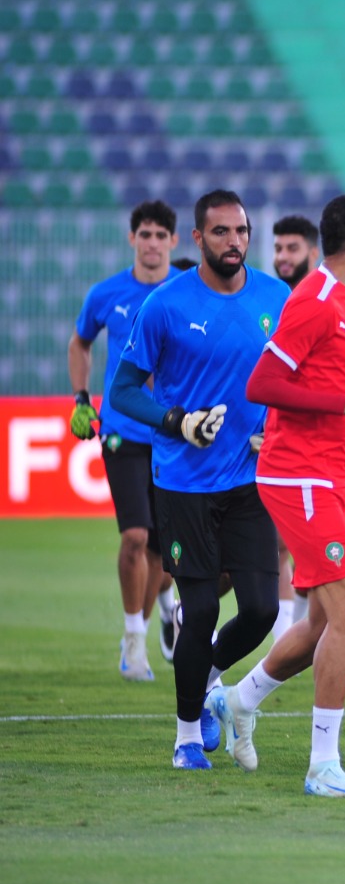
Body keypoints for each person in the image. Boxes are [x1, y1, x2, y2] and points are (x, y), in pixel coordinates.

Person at [222, 194, 345, 797]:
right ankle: (322, 764)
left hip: (338, 470)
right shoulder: (318, 298)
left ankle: (237, 700)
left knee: (328, 617)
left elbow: (331, 386)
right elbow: (264, 382)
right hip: (299, 474)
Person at [108, 188, 289, 769]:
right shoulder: (164, 305)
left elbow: (293, 378)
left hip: (250, 480)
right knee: (203, 608)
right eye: (221, 233)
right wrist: (176, 421)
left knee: (262, 610)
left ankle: (210, 671)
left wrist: (278, 428)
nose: (234, 242)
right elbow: (124, 391)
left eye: (241, 231)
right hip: (183, 483)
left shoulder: (275, 297)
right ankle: (187, 736)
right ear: (198, 239)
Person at [69, 199, 181, 679]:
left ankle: (164, 604)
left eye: (161, 235)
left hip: (173, 432)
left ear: (175, 242)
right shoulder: (106, 293)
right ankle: (133, 638)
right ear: (131, 238)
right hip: (122, 428)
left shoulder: (186, 290)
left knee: (166, 550)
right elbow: (81, 342)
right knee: (135, 536)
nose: (152, 243)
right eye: (145, 234)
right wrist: (80, 398)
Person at [268, 214, 321, 642]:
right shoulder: (264, 298)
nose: (283, 257)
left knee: (289, 545)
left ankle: (289, 634)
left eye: (292, 249)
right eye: (279, 249)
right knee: (259, 551)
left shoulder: (317, 301)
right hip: (255, 440)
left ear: (313, 252)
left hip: (303, 444)